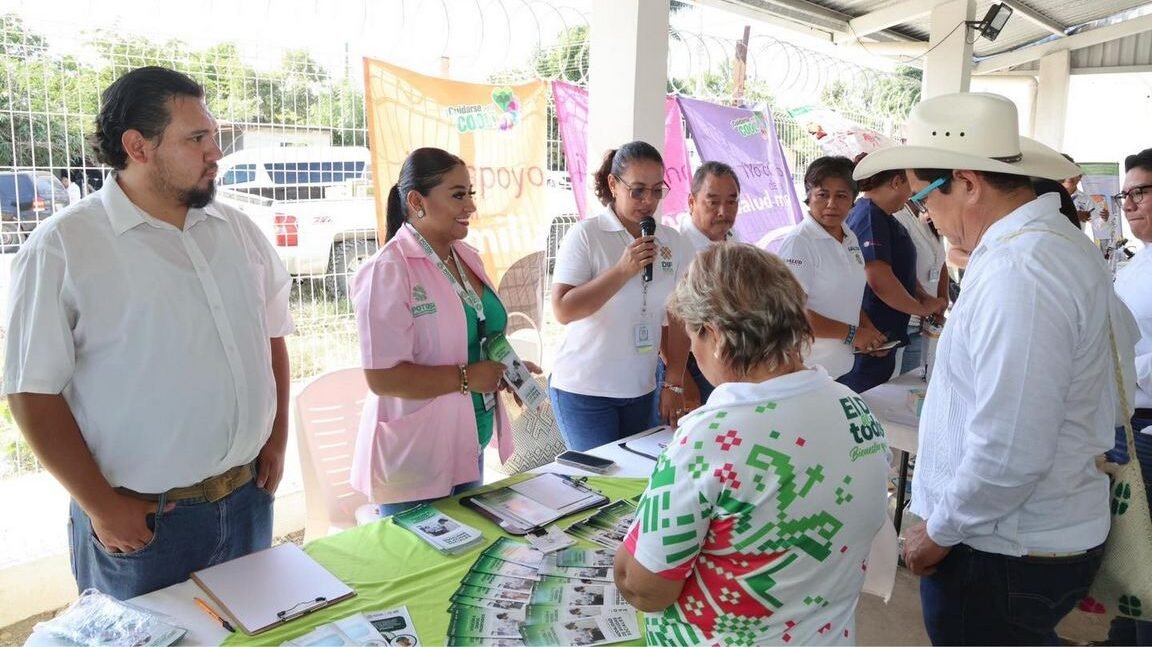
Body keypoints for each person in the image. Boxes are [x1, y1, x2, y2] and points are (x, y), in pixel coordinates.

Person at [854, 92, 1138, 644]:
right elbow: (1119, 349)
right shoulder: (1055, 245)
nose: (926, 214)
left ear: (966, 182)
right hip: (1024, 537)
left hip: (1003, 547)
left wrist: (938, 531)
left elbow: (1011, 448)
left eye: (923, 198)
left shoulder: (1021, 272)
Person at [3, 66, 293, 600]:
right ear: (137, 146)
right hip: (145, 524)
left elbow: (271, 335)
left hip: (249, 500)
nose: (215, 153)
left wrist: (276, 439)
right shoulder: (64, 247)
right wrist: (102, 507)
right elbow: (30, 392)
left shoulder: (238, 231)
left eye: (213, 136)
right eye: (197, 138)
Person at [614, 243, 890, 645]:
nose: (692, 349)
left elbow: (642, 586)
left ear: (713, 334)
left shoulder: (710, 436)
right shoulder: (855, 409)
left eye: (693, 335)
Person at [350, 147, 533, 516]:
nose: (470, 207)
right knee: (425, 566)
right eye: (458, 195)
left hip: (468, 440)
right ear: (417, 200)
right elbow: (383, 379)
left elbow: (476, 335)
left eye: (471, 194)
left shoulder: (467, 257)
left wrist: (504, 369)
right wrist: (468, 377)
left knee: (464, 558)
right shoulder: (388, 270)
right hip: (418, 457)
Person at [549, 141, 696, 450]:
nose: (648, 201)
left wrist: (674, 381)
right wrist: (622, 270)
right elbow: (563, 310)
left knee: (634, 482)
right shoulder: (587, 235)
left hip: (642, 388)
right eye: (638, 190)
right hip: (584, 390)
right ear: (613, 185)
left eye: (657, 190)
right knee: (601, 483)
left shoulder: (674, 242)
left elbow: (679, 317)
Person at [840, 156, 947, 393]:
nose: (911, 195)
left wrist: (923, 297)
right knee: (865, 397)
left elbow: (899, 269)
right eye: (910, 186)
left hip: (885, 334)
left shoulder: (885, 217)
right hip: (870, 335)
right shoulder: (869, 216)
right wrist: (920, 309)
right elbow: (879, 279)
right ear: (897, 182)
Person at [1102, 147, 1152, 646]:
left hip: (1147, 424)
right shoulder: (1138, 261)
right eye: (1126, 193)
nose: (1129, 203)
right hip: (1127, 422)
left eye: (1141, 192)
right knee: (1130, 560)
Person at [776, 156, 888, 379]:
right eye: (822, 195)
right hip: (805, 370)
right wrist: (852, 334)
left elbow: (847, 296)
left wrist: (870, 333)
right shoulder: (800, 242)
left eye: (841, 196)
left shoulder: (849, 236)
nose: (831, 204)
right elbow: (792, 313)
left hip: (841, 367)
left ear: (852, 201)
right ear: (809, 197)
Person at [657, 161, 743, 408]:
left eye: (731, 201)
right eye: (712, 201)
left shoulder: (734, 240)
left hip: (729, 360)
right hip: (690, 363)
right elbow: (664, 318)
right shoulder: (675, 248)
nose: (723, 211)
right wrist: (679, 380)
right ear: (692, 202)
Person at [893, 201, 948, 376]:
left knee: (914, 380)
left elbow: (941, 262)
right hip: (907, 317)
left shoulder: (930, 214)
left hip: (927, 319)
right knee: (895, 382)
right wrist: (925, 301)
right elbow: (899, 269)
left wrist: (943, 300)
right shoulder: (897, 217)